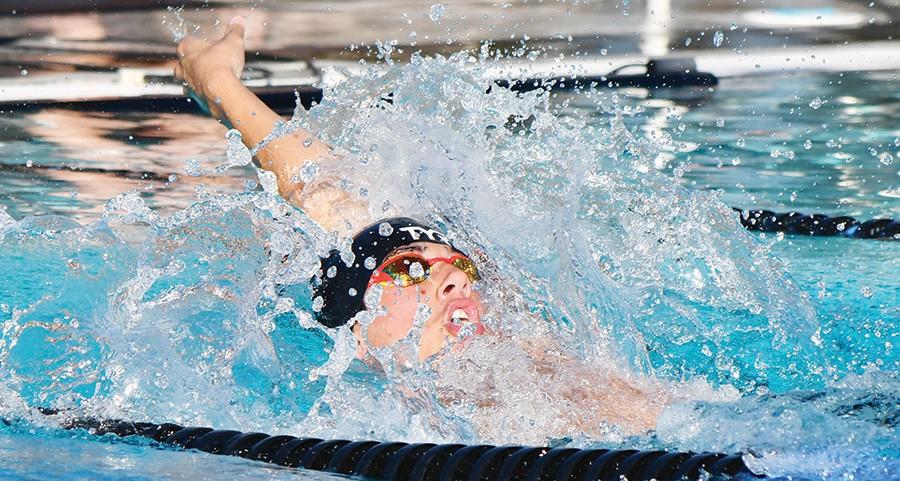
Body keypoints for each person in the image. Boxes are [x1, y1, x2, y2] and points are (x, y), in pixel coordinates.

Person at [175, 17, 674, 438]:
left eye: (460, 267)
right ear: (359, 336)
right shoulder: (327, 415)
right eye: (410, 269)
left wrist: (221, 86)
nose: (458, 279)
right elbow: (325, 198)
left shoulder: (539, 372)